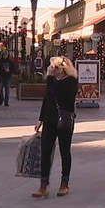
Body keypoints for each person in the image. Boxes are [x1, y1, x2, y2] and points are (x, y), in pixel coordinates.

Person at [32, 56, 78, 199]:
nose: (52, 70)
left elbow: (65, 97)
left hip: (64, 120)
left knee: (65, 151)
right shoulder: (52, 82)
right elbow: (47, 99)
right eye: (51, 67)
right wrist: (40, 119)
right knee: (45, 151)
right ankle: (43, 184)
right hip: (49, 119)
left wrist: (51, 80)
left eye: (55, 68)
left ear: (63, 69)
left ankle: (64, 183)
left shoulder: (71, 81)